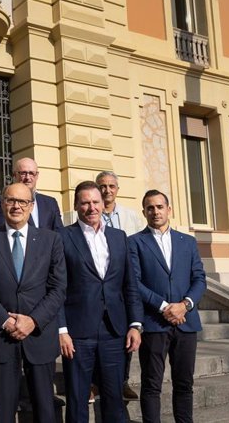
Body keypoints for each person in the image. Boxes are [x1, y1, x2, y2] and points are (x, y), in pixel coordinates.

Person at [57, 180, 143, 423]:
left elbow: (130, 285)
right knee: (77, 397)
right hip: (78, 332)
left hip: (114, 330)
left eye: (95, 202)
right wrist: (61, 330)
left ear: (102, 204)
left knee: (115, 398)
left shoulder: (119, 237)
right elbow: (57, 288)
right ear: (76, 206)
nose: (91, 207)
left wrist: (136, 324)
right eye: (85, 203)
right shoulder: (63, 237)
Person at [0, 182, 66, 422]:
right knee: (4, 412)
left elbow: (58, 288)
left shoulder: (51, 240)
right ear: (2, 204)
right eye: (10, 200)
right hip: (2, 336)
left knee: (44, 409)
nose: (16, 206)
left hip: (39, 335)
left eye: (22, 201)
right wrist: (5, 320)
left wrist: (34, 320)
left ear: (31, 206)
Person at [128, 190, 206, 423]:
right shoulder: (134, 242)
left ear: (169, 209)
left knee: (184, 384)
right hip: (154, 323)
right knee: (151, 385)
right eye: (150, 208)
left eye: (160, 207)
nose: (155, 212)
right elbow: (134, 281)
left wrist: (185, 305)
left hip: (186, 323)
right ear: (144, 212)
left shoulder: (188, 242)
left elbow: (199, 279)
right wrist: (164, 307)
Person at [96, 170, 146, 400]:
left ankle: (123, 381)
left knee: (126, 334)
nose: (107, 190)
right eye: (103, 186)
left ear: (117, 189)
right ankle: (94, 382)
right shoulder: (91, 212)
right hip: (97, 286)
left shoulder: (131, 217)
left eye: (111, 186)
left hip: (122, 286)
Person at [0, 157, 62, 230]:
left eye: (31, 173)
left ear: (37, 176)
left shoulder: (50, 203)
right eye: (23, 173)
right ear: (15, 175)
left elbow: (59, 232)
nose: (28, 177)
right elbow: (3, 230)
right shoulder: (4, 201)